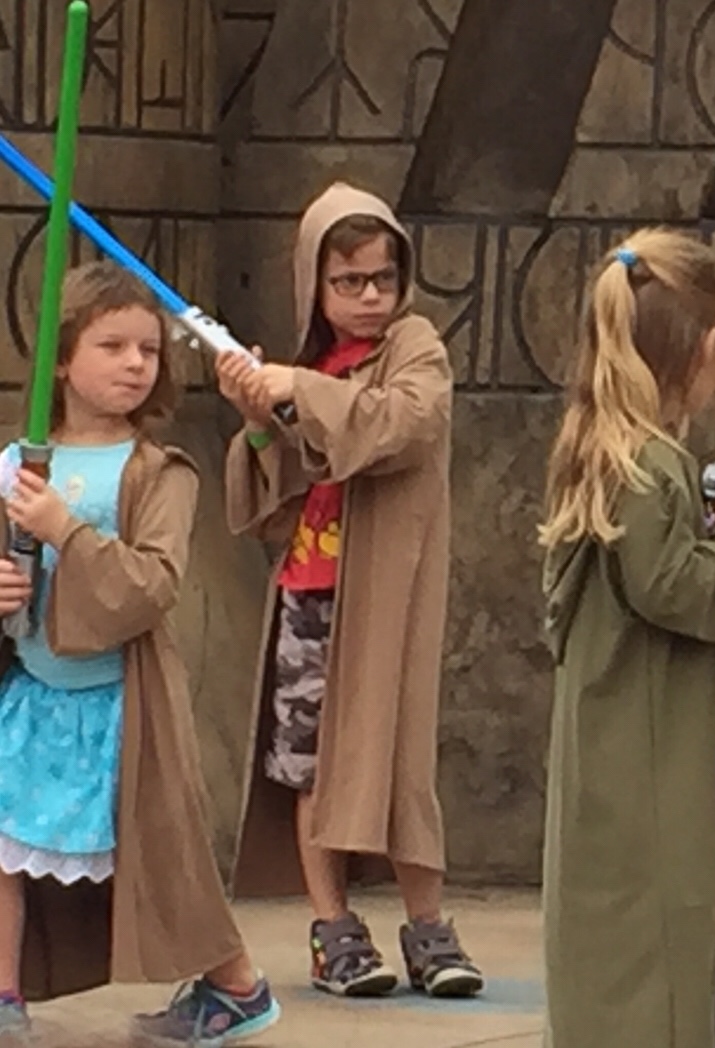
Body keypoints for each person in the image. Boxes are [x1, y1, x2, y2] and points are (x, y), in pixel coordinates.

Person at [0, 261, 279, 1045]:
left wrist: (65, 530)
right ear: (61, 358)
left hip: (123, 707)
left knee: (164, 862)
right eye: (112, 346)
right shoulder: (20, 462)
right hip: (34, 698)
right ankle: (4, 993)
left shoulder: (158, 472)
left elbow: (153, 585)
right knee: (1, 844)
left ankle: (238, 984)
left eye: (149, 350)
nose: (135, 364)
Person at [215, 182, 483, 999]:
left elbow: (404, 423)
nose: (369, 297)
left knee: (400, 759)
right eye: (348, 281)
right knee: (307, 767)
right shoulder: (308, 366)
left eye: (382, 278)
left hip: (386, 601)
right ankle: (334, 930)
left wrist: (297, 389)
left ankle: (428, 927)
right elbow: (276, 497)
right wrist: (257, 416)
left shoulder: (416, 346)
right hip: (310, 590)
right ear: (315, 284)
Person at [539, 228, 715, 1048]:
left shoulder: (605, 447)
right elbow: (679, 588)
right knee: (649, 993)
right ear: (709, 348)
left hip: (619, 776)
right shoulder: (649, 467)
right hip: (647, 789)